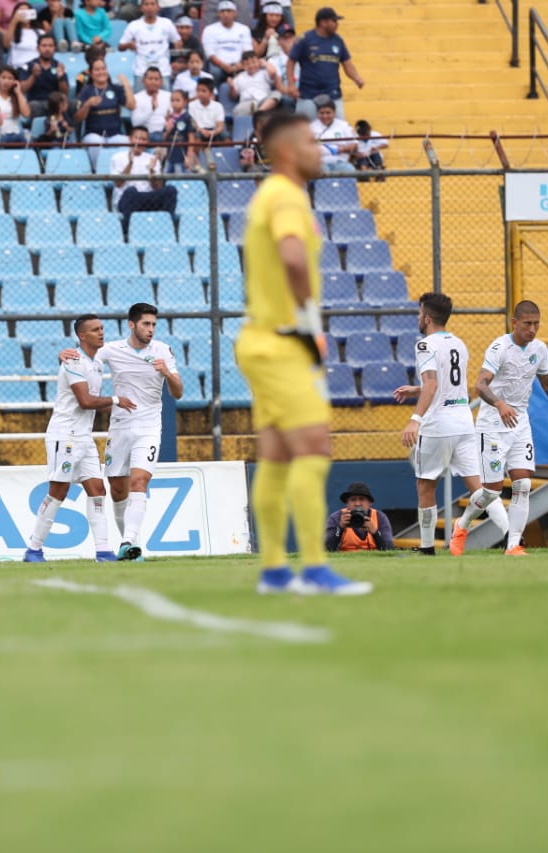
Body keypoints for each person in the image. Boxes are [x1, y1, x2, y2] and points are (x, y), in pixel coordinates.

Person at [235, 111, 371, 595]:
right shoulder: (287, 196)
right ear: (289, 151)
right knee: (313, 449)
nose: (321, 150)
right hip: (284, 341)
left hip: (261, 339)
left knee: (275, 456)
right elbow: (293, 256)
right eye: (313, 142)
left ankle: (274, 572)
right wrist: (309, 320)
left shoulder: (268, 195)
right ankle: (314, 568)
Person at [451, 301, 548, 557]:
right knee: (491, 491)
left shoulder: (540, 349)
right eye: (527, 324)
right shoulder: (500, 347)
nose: (532, 329)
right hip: (492, 425)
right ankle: (463, 524)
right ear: (515, 323)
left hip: (520, 423)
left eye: (536, 324)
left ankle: (513, 545)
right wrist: (500, 404)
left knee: (522, 484)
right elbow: (480, 385)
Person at [69, 303, 183, 562]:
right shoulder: (112, 350)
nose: (151, 329)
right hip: (120, 428)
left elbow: (178, 392)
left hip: (149, 428)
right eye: (146, 324)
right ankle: (132, 548)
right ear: (131, 324)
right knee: (118, 491)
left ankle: (129, 540)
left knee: (139, 483)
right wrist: (65, 355)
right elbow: (84, 359)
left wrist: (167, 373)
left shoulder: (162, 351)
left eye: (153, 324)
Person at [23, 314, 137, 564]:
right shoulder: (74, 362)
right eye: (95, 330)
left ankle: (103, 551)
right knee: (58, 491)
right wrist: (117, 400)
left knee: (97, 489)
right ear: (82, 336)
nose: (101, 333)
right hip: (64, 435)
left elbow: (127, 348)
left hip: (83, 437)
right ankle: (33, 549)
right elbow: (85, 402)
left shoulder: (96, 361)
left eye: (102, 328)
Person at [393, 292, 482, 556]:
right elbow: (448, 385)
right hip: (464, 420)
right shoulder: (459, 344)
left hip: (438, 423)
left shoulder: (424, 345)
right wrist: (418, 389)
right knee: (480, 489)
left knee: (425, 484)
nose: (418, 318)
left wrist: (414, 419)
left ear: (428, 318)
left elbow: (432, 384)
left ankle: (428, 547)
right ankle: (513, 541)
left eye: (420, 313)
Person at [286, 7, 364, 120]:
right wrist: (291, 85)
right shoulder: (305, 39)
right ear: (323, 22)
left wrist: (356, 78)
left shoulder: (338, 40)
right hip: (308, 94)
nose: (337, 24)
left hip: (333, 94)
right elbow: (291, 62)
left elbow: (347, 63)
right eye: (334, 21)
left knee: (339, 130)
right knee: (305, 130)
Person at [111, 126, 177, 234]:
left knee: (170, 190)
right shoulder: (118, 157)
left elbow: (158, 187)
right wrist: (130, 163)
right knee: (131, 191)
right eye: (137, 138)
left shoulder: (151, 158)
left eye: (144, 139)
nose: (140, 142)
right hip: (128, 198)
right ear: (130, 139)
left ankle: (166, 228)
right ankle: (127, 233)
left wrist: (152, 171)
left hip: (148, 197)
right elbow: (118, 183)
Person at [74, 57, 134, 156]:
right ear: (91, 73)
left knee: (125, 141)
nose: (101, 72)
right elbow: (78, 118)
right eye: (97, 69)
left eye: (103, 68)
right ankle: (98, 170)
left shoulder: (115, 88)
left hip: (114, 134)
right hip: (93, 134)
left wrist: (126, 84)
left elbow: (131, 106)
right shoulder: (86, 90)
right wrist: (87, 104)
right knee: (95, 141)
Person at [119, 0, 179, 87]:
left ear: (158, 7)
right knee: (139, 100)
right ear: (141, 8)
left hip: (163, 71)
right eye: (146, 4)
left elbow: (177, 42)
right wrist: (129, 45)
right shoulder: (134, 25)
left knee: (165, 99)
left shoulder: (167, 23)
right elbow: (120, 46)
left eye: (152, 4)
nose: (149, 7)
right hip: (141, 72)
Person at [325, 481, 394, 552]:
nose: (357, 504)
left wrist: (375, 533)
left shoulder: (380, 517)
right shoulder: (336, 517)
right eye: (353, 500)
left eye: (362, 499)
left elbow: (389, 549)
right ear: (347, 503)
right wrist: (340, 528)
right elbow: (326, 549)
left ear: (370, 503)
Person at [201, 0, 252, 85]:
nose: (225, 14)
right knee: (215, 72)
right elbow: (210, 54)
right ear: (218, 14)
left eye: (228, 11)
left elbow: (247, 51)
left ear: (235, 13)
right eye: (222, 11)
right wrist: (224, 66)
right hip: (218, 65)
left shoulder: (244, 29)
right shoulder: (209, 30)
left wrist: (239, 65)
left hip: (239, 64)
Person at [0, 64, 30, 146]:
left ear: (15, 81)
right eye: (3, 78)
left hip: (16, 132)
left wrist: (18, 93)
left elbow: (26, 114)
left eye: (10, 78)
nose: (6, 81)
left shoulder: (17, 96)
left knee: (27, 138)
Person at [21, 33, 68, 117]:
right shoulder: (28, 66)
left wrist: (61, 78)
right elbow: (23, 89)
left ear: (55, 48)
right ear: (38, 48)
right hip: (36, 102)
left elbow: (65, 93)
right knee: (34, 106)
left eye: (50, 46)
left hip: (55, 104)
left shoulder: (59, 66)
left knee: (74, 105)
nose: (47, 49)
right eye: (44, 46)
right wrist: (33, 76)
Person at [310, 94, 356, 173]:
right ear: (317, 113)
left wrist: (341, 149)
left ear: (334, 113)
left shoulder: (343, 125)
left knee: (350, 170)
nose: (325, 116)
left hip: (341, 162)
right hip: (320, 163)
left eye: (328, 113)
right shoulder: (311, 127)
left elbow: (354, 144)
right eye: (322, 113)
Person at [188, 77, 225, 169]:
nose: (200, 93)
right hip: (199, 130)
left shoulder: (218, 106)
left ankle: (224, 161)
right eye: (198, 90)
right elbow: (193, 123)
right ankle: (197, 164)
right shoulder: (191, 105)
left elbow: (220, 126)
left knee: (226, 136)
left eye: (204, 91)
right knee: (195, 137)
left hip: (213, 130)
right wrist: (201, 130)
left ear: (211, 93)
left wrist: (213, 132)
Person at [230, 50, 282, 115]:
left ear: (258, 61)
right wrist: (232, 86)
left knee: (276, 94)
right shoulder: (239, 77)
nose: (251, 65)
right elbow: (234, 96)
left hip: (263, 102)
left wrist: (265, 63)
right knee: (237, 110)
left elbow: (273, 72)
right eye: (247, 64)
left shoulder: (264, 72)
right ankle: (257, 113)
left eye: (254, 62)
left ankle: (258, 112)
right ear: (243, 65)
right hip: (246, 103)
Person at [131, 66, 172, 141]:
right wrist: (151, 109)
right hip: (146, 135)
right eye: (150, 79)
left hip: (165, 134)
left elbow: (173, 116)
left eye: (156, 79)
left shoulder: (169, 96)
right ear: (143, 81)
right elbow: (135, 123)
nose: (153, 82)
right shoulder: (136, 98)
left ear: (161, 82)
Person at [160, 86, 194, 172]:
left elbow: (191, 137)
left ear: (185, 102)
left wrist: (189, 154)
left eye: (177, 100)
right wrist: (167, 130)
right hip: (170, 154)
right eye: (172, 100)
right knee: (166, 174)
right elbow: (163, 138)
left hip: (181, 154)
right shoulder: (169, 117)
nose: (174, 103)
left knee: (178, 176)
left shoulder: (187, 117)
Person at [4, 1, 39, 67]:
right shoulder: (12, 31)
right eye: (21, 12)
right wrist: (14, 21)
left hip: (34, 68)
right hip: (17, 67)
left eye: (27, 11)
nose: (25, 14)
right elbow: (6, 44)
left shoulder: (40, 32)